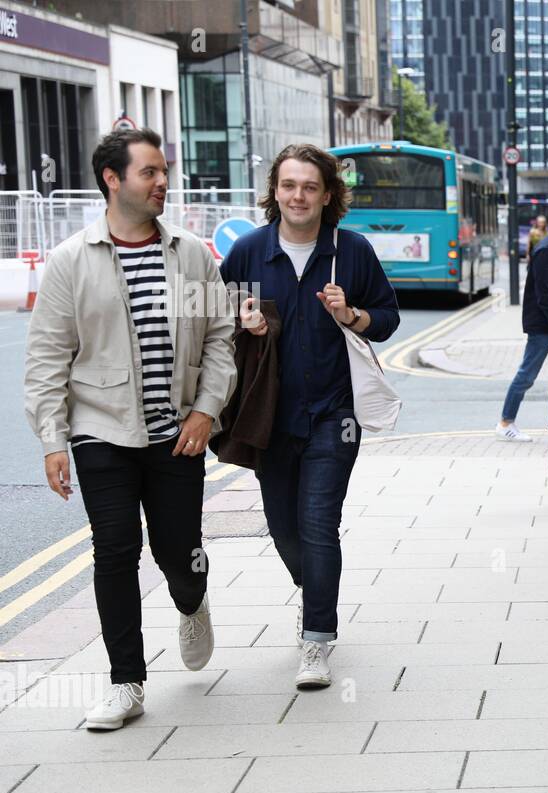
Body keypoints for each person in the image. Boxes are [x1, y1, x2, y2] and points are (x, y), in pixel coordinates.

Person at [24, 128, 237, 730]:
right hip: (101, 427)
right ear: (112, 179)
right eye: (150, 172)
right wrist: (53, 440)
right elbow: (47, 358)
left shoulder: (190, 254)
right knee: (115, 548)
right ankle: (126, 683)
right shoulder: (71, 261)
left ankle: (192, 601)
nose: (163, 181)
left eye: (164, 171)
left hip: (178, 432)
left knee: (178, 552)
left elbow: (220, 338)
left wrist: (206, 410)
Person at [219, 143, 400, 689]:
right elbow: (210, 319)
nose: (298, 196)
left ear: (327, 196)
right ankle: (316, 587)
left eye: (310, 187)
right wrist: (240, 320)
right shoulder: (249, 252)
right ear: (275, 191)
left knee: (319, 523)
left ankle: (317, 638)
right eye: (289, 185)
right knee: (283, 527)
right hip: (268, 416)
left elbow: (387, 318)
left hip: (333, 415)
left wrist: (352, 314)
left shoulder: (352, 251)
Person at [497, 198, 548, 444]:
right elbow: (544, 293)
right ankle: (505, 423)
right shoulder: (546, 249)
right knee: (527, 375)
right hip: (544, 325)